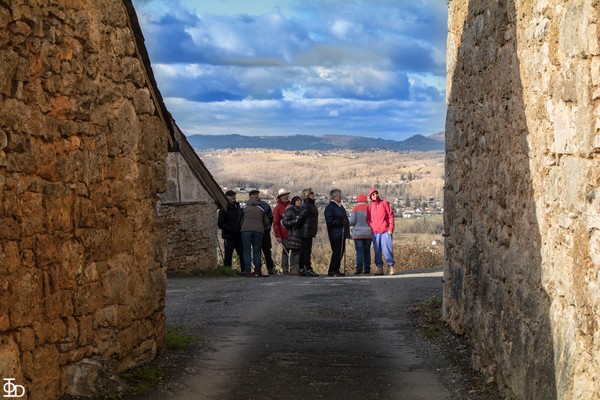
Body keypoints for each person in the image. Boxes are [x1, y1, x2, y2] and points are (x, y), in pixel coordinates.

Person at [367, 188, 396, 275]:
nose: (375, 195)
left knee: (387, 250)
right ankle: (380, 268)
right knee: (377, 251)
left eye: (376, 193)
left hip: (385, 231)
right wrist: (372, 226)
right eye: (373, 194)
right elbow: (368, 219)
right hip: (375, 233)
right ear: (370, 197)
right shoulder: (369, 207)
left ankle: (391, 267)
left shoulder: (384, 203)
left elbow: (391, 216)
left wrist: (390, 228)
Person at [241, 190, 270, 277]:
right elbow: (267, 221)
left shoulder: (244, 208)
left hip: (246, 230)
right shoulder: (261, 209)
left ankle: (248, 270)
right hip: (258, 231)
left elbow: (240, 220)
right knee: (257, 250)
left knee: (247, 250)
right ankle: (257, 271)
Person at [324, 189, 351, 277]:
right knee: (336, 252)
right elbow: (329, 221)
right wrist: (339, 222)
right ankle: (332, 270)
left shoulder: (340, 207)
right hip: (335, 234)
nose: (341, 197)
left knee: (340, 252)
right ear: (334, 196)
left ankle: (336, 269)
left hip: (341, 233)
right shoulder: (330, 207)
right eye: (339, 195)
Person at [294, 188, 320, 277]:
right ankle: (308, 268)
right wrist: (296, 227)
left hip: (308, 230)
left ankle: (301, 268)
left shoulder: (310, 204)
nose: (314, 194)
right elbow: (301, 218)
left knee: (303, 250)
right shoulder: (307, 205)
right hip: (306, 231)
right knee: (306, 251)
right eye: (312, 193)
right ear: (307, 195)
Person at [217, 190, 244, 272]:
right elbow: (220, 224)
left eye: (234, 195)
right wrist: (231, 228)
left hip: (239, 235)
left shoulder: (238, 208)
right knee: (228, 255)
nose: (233, 197)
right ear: (226, 197)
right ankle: (228, 271)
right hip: (229, 236)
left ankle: (244, 271)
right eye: (230, 195)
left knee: (242, 254)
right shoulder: (224, 209)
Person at [251, 190, 276, 274]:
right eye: (254, 194)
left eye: (257, 194)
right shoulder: (248, 206)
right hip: (254, 231)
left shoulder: (265, 205)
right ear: (250, 196)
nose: (256, 196)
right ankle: (257, 270)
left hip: (265, 231)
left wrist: (268, 226)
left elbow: (271, 217)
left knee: (267, 251)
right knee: (256, 250)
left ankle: (270, 268)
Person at [349, 193, 372, 275]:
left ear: (358, 200)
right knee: (367, 251)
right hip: (369, 233)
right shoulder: (370, 208)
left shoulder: (356, 208)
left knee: (359, 251)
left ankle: (359, 269)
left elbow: (351, 222)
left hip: (358, 234)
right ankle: (367, 269)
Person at [281, 195, 303, 274]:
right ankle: (292, 269)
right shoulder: (290, 211)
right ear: (294, 202)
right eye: (297, 201)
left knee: (299, 252)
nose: (299, 202)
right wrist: (295, 221)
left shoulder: (302, 211)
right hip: (293, 234)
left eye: (300, 201)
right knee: (294, 251)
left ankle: (298, 269)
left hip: (301, 234)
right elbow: (285, 222)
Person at [272, 188, 291, 274]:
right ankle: (285, 270)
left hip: (294, 234)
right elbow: (275, 223)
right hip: (284, 234)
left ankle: (295, 269)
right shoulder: (277, 208)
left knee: (296, 251)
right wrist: (278, 236)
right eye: (283, 195)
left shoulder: (292, 205)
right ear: (280, 197)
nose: (285, 197)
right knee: (285, 252)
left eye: (286, 195)